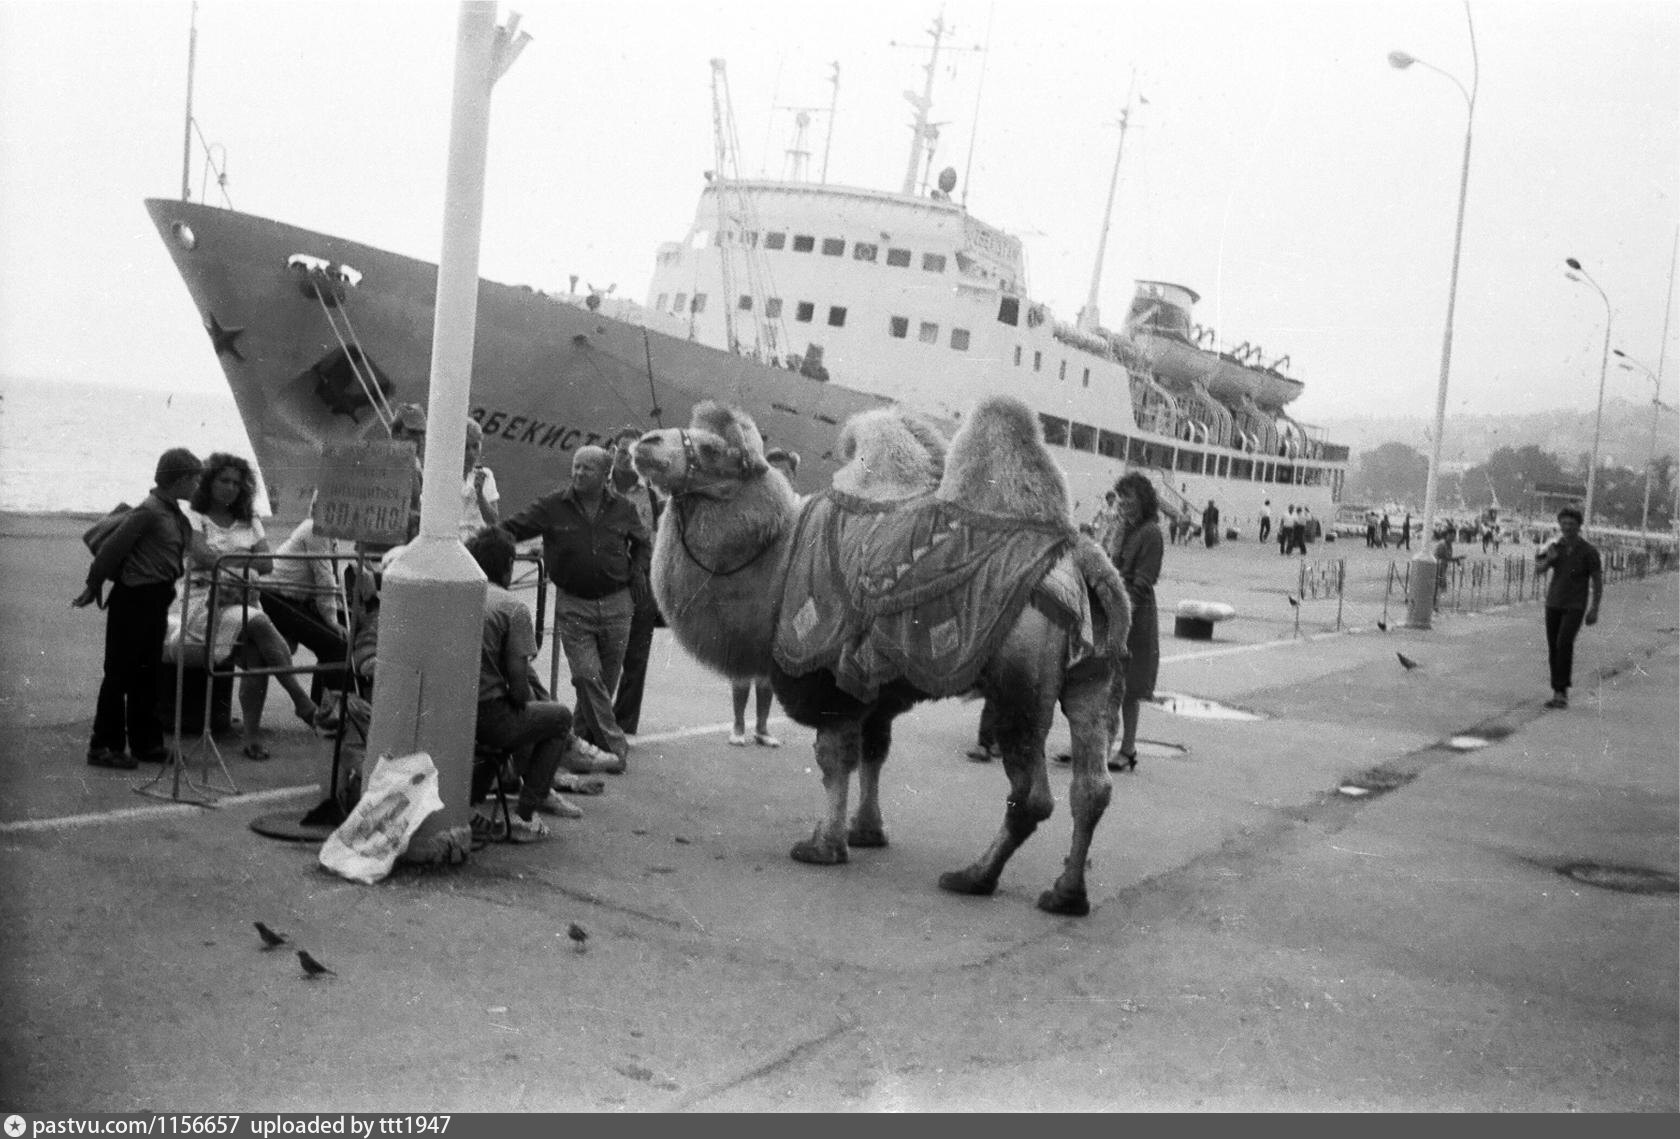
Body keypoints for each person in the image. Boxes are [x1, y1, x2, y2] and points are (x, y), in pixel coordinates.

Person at [501, 445, 651, 769]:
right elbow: (512, 528)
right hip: (575, 605)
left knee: (603, 682)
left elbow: (642, 542)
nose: (579, 473)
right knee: (586, 677)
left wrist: (639, 569)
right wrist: (478, 546)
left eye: (587, 468)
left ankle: (578, 745)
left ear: (605, 475)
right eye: (576, 466)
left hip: (617, 604)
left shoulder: (624, 508)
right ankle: (615, 748)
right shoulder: (552, 506)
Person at [179, 453, 324, 760]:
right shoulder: (194, 515)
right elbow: (203, 557)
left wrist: (227, 561)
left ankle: (251, 735)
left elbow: (267, 564)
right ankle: (301, 702)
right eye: (224, 480)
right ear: (209, 482)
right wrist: (246, 559)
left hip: (244, 600)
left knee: (258, 655)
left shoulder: (249, 519)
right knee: (258, 623)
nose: (231, 488)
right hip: (203, 601)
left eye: (236, 482)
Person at [75, 448, 202, 768]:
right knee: (119, 673)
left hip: (156, 599)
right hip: (134, 599)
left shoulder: (170, 512)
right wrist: (93, 585)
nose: (197, 486)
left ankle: (147, 744)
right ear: (180, 480)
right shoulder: (149, 511)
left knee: (148, 674)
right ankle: (103, 746)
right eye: (194, 479)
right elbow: (111, 551)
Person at [466, 527, 583, 841]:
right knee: (559, 717)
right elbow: (519, 690)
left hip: (453, 712)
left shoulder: (459, 595)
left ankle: (475, 801)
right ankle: (525, 814)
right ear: (508, 566)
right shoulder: (511, 607)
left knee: (522, 720)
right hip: (488, 716)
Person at [729, 446, 801, 747]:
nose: (778, 477)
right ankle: (738, 724)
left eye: (784, 472)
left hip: (782, 592)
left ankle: (761, 726)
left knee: (769, 668)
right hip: (750, 592)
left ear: (793, 475)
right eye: (773, 472)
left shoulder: (799, 507)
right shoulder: (749, 506)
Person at [258, 499, 351, 720]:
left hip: (288, 596)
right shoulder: (315, 529)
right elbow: (324, 578)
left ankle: (324, 707)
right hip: (274, 596)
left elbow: (327, 579)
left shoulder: (326, 532)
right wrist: (331, 620)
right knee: (335, 642)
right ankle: (331, 713)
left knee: (333, 641)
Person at [607, 426, 663, 739]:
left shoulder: (653, 493)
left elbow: (663, 535)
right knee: (604, 651)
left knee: (636, 656)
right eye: (621, 451)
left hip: (642, 580)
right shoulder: (599, 485)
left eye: (632, 453)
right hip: (606, 578)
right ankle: (596, 716)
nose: (625, 458)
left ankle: (625, 722)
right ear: (612, 451)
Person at [1107, 471, 1163, 772]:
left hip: (1134, 616)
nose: (1123, 502)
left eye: (1129, 497)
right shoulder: (1123, 528)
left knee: (1128, 688)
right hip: (1113, 608)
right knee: (1105, 684)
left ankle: (1127, 748)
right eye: (1121, 497)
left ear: (1143, 499)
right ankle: (1098, 745)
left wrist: (1122, 614)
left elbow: (1144, 581)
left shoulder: (1151, 533)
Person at [1534, 506, 1603, 710]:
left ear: (1579, 526)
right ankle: (1558, 691)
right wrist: (1549, 560)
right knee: (1554, 647)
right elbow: (1539, 570)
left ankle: (1561, 692)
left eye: (1571, 524)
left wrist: (1595, 608)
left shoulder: (1589, 551)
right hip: (1554, 603)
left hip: (1575, 605)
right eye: (1564, 523)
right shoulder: (1554, 546)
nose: (1567, 527)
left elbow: (1597, 581)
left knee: (1564, 643)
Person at [459, 417, 500, 541]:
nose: (471, 453)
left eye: (475, 446)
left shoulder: (486, 475)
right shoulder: (446, 475)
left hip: (478, 541)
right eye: (466, 447)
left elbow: (493, 521)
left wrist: (480, 494)